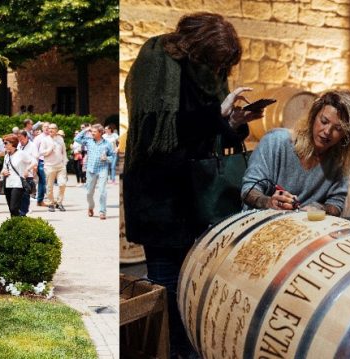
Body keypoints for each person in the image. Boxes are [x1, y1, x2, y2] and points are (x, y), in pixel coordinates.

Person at [123, 12, 263, 358]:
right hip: (160, 194)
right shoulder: (155, 63)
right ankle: (170, 351)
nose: (219, 72)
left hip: (198, 196)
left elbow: (210, 133)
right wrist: (216, 114)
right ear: (197, 48)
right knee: (167, 287)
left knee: (196, 283)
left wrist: (235, 122)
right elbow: (158, 135)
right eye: (216, 63)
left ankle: (190, 349)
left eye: (223, 66)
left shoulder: (210, 75)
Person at [240, 91, 350, 227]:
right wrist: (268, 202)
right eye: (324, 121)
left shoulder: (340, 160)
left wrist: (322, 209)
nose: (327, 131)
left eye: (338, 129)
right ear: (313, 117)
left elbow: (336, 204)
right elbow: (248, 191)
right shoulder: (275, 141)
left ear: (346, 135)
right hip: (264, 223)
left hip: (304, 228)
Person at [75, 124, 116, 219]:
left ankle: (102, 212)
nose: (92, 133)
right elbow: (77, 139)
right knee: (89, 192)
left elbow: (112, 156)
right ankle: (91, 207)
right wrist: (86, 129)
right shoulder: (88, 141)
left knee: (102, 191)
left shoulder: (107, 144)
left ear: (101, 133)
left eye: (94, 131)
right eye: (91, 131)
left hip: (103, 169)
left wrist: (107, 158)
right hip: (91, 170)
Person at [1, 134, 35, 217]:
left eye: (6, 143)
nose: (4, 145)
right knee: (11, 210)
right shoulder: (6, 156)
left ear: (12, 143)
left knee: (14, 208)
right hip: (8, 184)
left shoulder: (21, 153)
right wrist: (3, 171)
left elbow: (34, 162)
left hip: (18, 184)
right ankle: (15, 226)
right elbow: (3, 169)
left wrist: (27, 169)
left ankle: (22, 221)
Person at [44, 123, 68, 212]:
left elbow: (64, 152)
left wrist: (64, 163)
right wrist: (49, 150)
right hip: (49, 166)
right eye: (49, 128)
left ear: (56, 130)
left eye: (53, 128)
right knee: (49, 187)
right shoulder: (45, 140)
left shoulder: (60, 139)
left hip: (60, 166)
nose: (50, 130)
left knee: (62, 184)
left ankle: (59, 202)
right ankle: (51, 203)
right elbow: (41, 152)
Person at [32, 122, 53, 207]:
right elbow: (34, 151)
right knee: (44, 181)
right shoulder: (38, 138)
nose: (47, 128)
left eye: (48, 127)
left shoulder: (52, 138)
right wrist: (35, 164)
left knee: (45, 182)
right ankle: (40, 200)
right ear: (42, 128)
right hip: (41, 162)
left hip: (51, 162)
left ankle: (41, 200)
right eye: (45, 127)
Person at [16, 131, 35, 216]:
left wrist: (29, 170)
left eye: (22, 139)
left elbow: (35, 161)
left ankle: (23, 213)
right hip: (18, 174)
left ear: (26, 137)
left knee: (25, 196)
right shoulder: (18, 145)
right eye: (19, 139)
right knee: (19, 196)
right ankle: (21, 213)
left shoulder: (32, 146)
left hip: (28, 174)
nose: (20, 141)